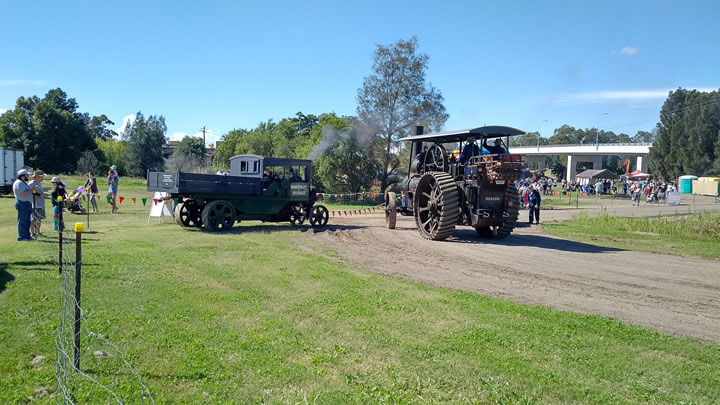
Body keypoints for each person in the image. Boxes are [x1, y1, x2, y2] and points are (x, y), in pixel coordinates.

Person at [13, 169, 39, 241]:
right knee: (23, 221)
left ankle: (27, 236)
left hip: (26, 203)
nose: (28, 176)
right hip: (22, 203)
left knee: (27, 221)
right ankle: (22, 237)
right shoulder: (19, 183)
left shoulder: (22, 183)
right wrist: (33, 189)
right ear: (23, 175)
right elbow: (23, 193)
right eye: (27, 175)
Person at [28, 170, 47, 238]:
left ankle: (38, 232)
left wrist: (43, 195)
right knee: (33, 219)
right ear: (38, 177)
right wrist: (40, 195)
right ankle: (32, 233)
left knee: (39, 219)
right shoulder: (32, 184)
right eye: (42, 177)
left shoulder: (39, 183)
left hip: (40, 204)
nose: (43, 178)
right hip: (35, 204)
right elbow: (31, 193)